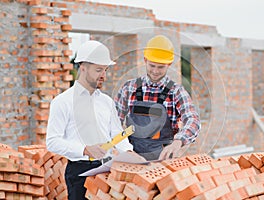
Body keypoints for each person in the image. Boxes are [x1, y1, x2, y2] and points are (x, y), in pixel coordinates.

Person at [46, 40, 135, 199]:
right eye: (98, 70)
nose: (103, 75)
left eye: (105, 70)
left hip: (107, 169)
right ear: (83, 67)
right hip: (79, 172)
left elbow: (117, 134)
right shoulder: (63, 102)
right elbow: (52, 141)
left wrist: (128, 151)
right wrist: (85, 149)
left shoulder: (107, 102)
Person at [114, 35, 201, 161]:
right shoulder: (129, 88)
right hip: (132, 157)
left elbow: (193, 120)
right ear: (145, 60)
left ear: (169, 64)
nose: (155, 71)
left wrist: (178, 142)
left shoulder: (176, 91)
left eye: (161, 67)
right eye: (152, 65)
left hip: (163, 159)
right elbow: (114, 121)